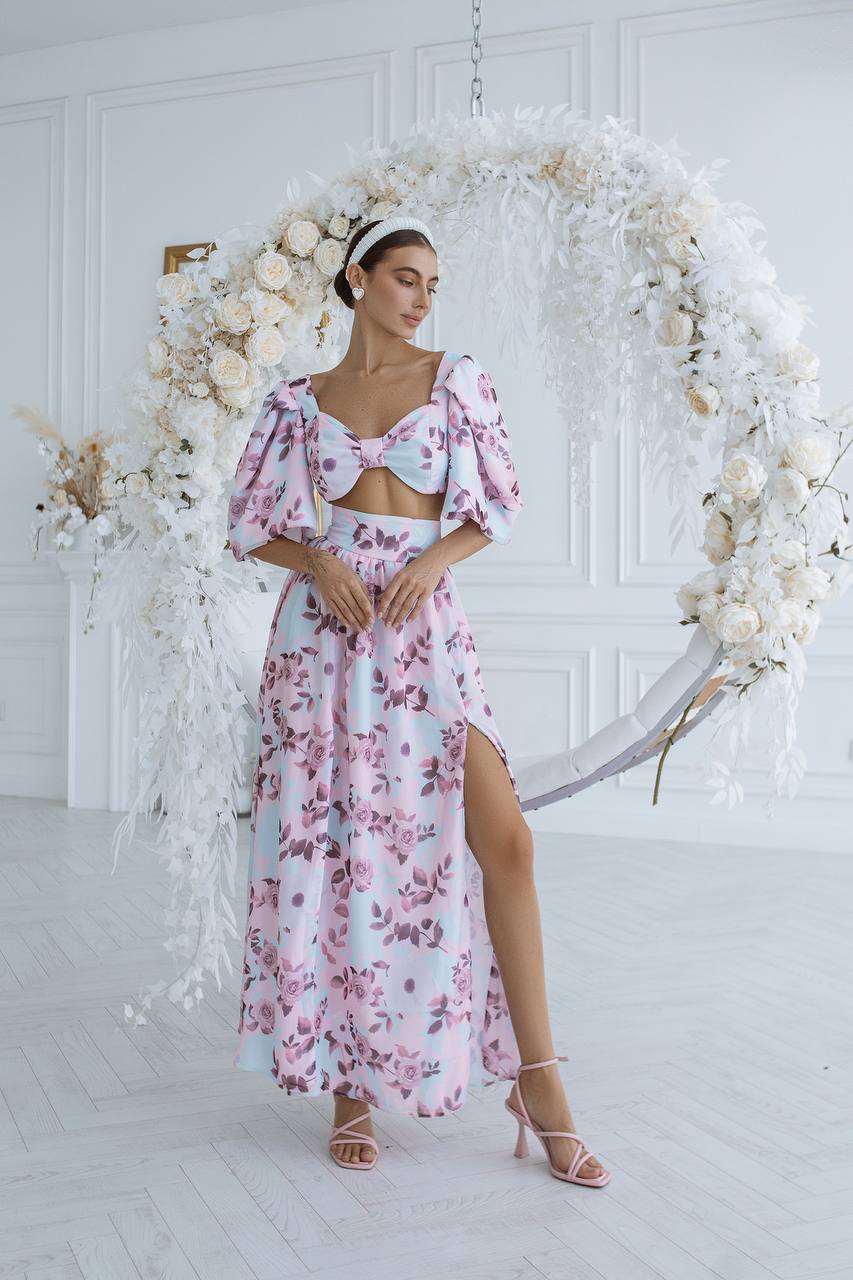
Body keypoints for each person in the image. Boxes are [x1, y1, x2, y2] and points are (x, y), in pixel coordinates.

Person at [226, 216, 610, 1186]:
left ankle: (540, 1083)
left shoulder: (455, 380)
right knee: (346, 851)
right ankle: (349, 1085)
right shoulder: (298, 400)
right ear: (357, 279)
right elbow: (249, 523)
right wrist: (316, 559)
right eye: (405, 277)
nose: (421, 298)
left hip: (423, 627)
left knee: (505, 841)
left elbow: (498, 504)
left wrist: (432, 561)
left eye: (432, 283)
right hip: (322, 641)